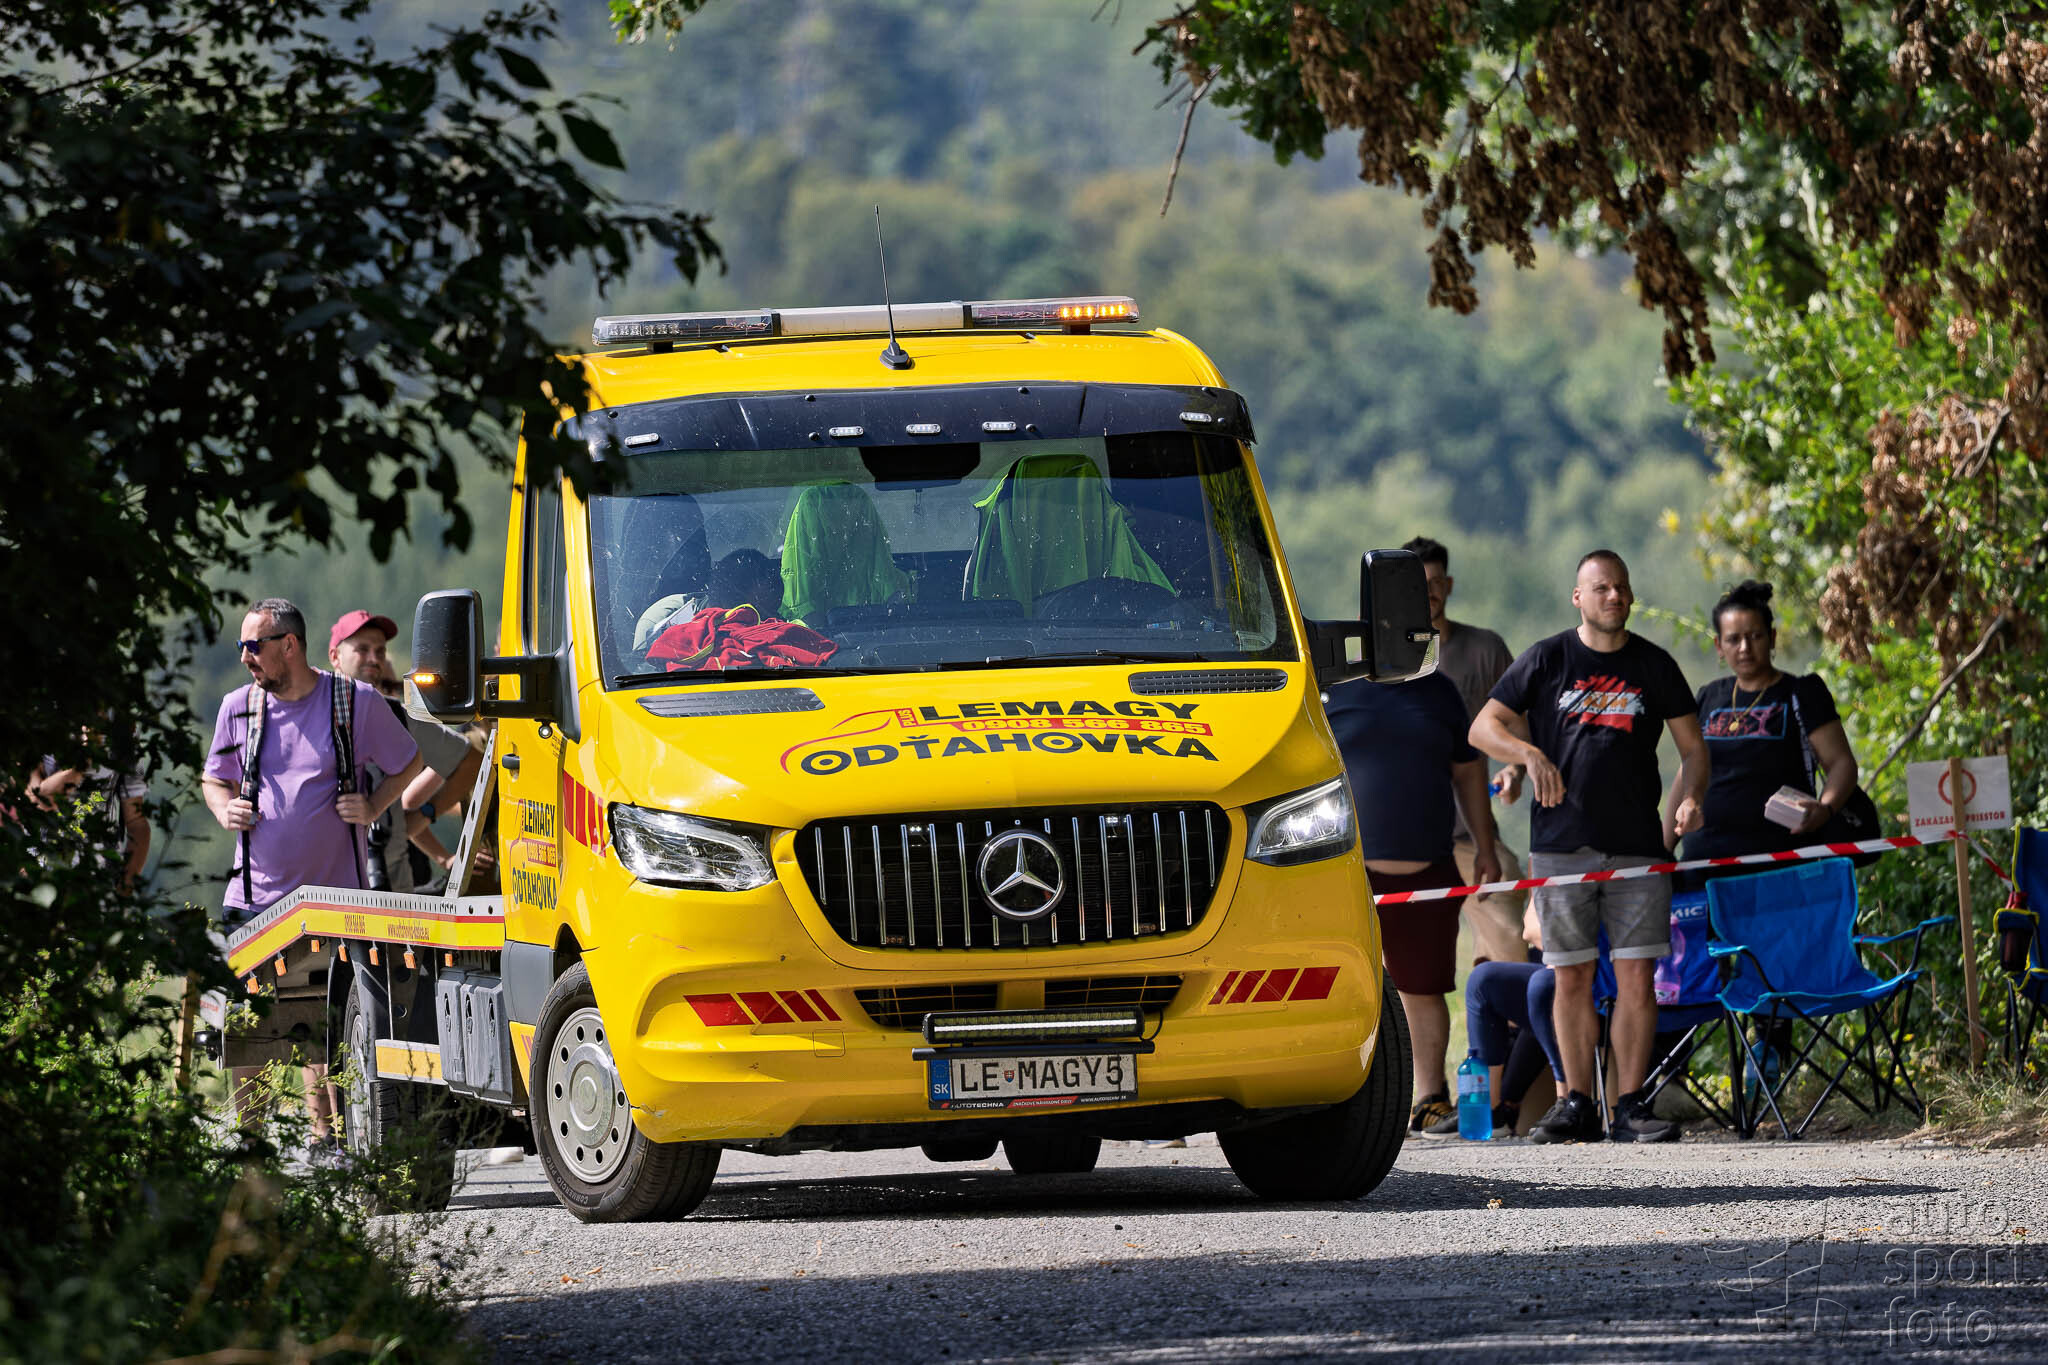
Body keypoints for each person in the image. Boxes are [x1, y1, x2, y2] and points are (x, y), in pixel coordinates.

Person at [1469, 550, 1708, 1143]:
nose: (1615, 596)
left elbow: (1694, 749)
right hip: (1560, 847)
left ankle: (1630, 1106)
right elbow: (1482, 727)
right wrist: (1528, 755)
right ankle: (1576, 1103)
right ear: (1578, 597)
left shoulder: (1653, 663)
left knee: (1636, 979)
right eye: (1602, 588)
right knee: (1569, 978)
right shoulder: (1547, 658)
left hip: (1637, 849)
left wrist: (1691, 798)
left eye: (1622, 587)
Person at [202, 598, 422, 1149]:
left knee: (339, 1025)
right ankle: (251, 1146)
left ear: (289, 646)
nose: (245, 657)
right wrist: (224, 809)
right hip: (254, 899)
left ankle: (342, 1140)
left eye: (253, 646)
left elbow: (409, 761)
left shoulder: (353, 701)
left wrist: (374, 805)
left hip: (338, 902)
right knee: (247, 1027)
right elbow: (213, 779)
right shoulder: (238, 707)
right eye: (242, 646)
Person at [1326, 666, 1500, 1134]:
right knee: (1339, 989)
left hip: (1428, 870)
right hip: (1342, 871)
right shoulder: (1330, 690)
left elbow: (1468, 771)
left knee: (1423, 989)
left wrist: (1485, 846)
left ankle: (1429, 1100)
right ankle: (1336, 1101)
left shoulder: (1440, 690)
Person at [1666, 579, 1859, 864]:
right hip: (1704, 863)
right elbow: (1687, 770)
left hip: (1781, 862)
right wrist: (1664, 848)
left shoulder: (1801, 693)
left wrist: (1825, 809)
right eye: (1733, 639)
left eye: (1755, 636)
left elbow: (1841, 763)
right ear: (1719, 646)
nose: (1744, 647)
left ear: (1772, 637)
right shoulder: (1709, 697)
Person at [1403, 535, 1531, 966]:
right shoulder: (1379, 662)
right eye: (1418, 585)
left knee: (1513, 942)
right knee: (1397, 964)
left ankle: (1500, 1006)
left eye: (1436, 582)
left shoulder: (1484, 650)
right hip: (1402, 842)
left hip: (1472, 835)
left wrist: (1514, 771)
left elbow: (1521, 730)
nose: (1429, 593)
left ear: (1450, 585)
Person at [327, 609, 475, 891]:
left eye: (380, 651)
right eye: (362, 649)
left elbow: (470, 761)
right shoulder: (307, 714)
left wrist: (422, 815)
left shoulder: (398, 716)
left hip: (391, 891)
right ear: (335, 656)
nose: (374, 659)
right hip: (321, 889)